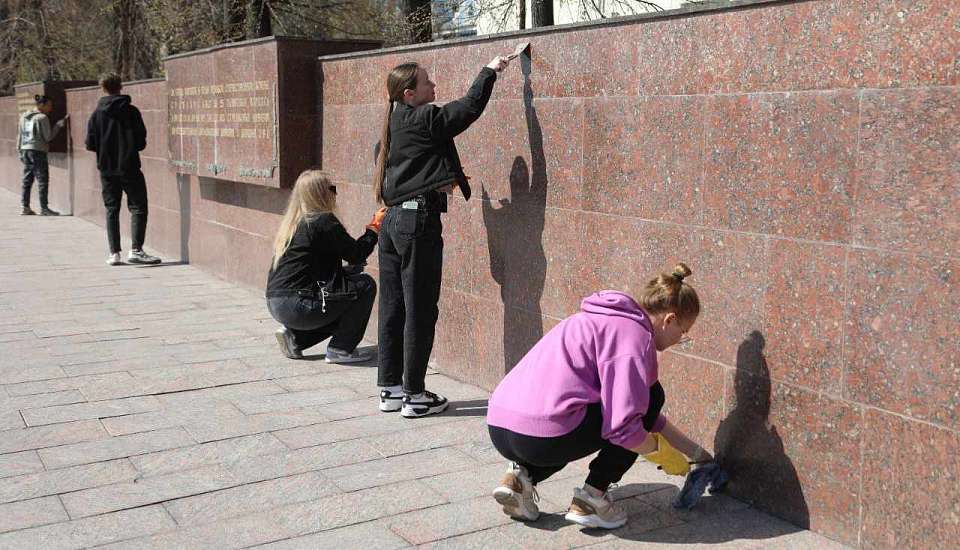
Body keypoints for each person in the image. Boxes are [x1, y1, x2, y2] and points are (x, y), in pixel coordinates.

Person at [486, 264, 714, 529]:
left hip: (500, 426)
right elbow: (627, 426)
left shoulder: (595, 318)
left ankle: (519, 479)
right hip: (544, 437)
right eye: (683, 332)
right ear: (670, 320)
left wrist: (696, 453)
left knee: (597, 413)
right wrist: (660, 453)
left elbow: (652, 418)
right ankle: (592, 500)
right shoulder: (635, 339)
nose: (679, 339)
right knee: (641, 406)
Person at [374, 55, 511, 418]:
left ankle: (390, 387)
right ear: (409, 94)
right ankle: (415, 395)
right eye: (427, 82)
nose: (433, 87)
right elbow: (466, 110)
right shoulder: (423, 118)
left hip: (392, 223)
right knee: (419, 308)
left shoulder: (394, 122)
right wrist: (490, 70)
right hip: (416, 222)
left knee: (393, 307)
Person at [266, 169, 386, 363]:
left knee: (345, 295)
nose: (335, 193)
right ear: (321, 193)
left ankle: (296, 339)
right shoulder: (322, 221)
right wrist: (374, 228)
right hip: (299, 305)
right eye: (332, 188)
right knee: (365, 285)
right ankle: (340, 349)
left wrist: (344, 273)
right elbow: (356, 254)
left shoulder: (293, 223)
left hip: (277, 303)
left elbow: (309, 269)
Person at [85, 72, 160, 266]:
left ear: (103, 88)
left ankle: (114, 253)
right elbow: (141, 142)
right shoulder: (132, 111)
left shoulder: (96, 114)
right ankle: (136, 250)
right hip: (130, 167)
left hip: (107, 170)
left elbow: (90, 143)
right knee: (138, 207)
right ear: (121, 87)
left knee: (112, 209)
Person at [17, 95, 67, 216]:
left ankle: (25, 206)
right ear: (41, 105)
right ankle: (44, 208)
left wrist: (19, 150)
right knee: (42, 180)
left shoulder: (24, 116)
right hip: (38, 151)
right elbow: (48, 137)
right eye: (49, 106)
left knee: (27, 180)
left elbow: (19, 134)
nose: (50, 108)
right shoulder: (42, 117)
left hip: (25, 149)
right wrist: (58, 125)